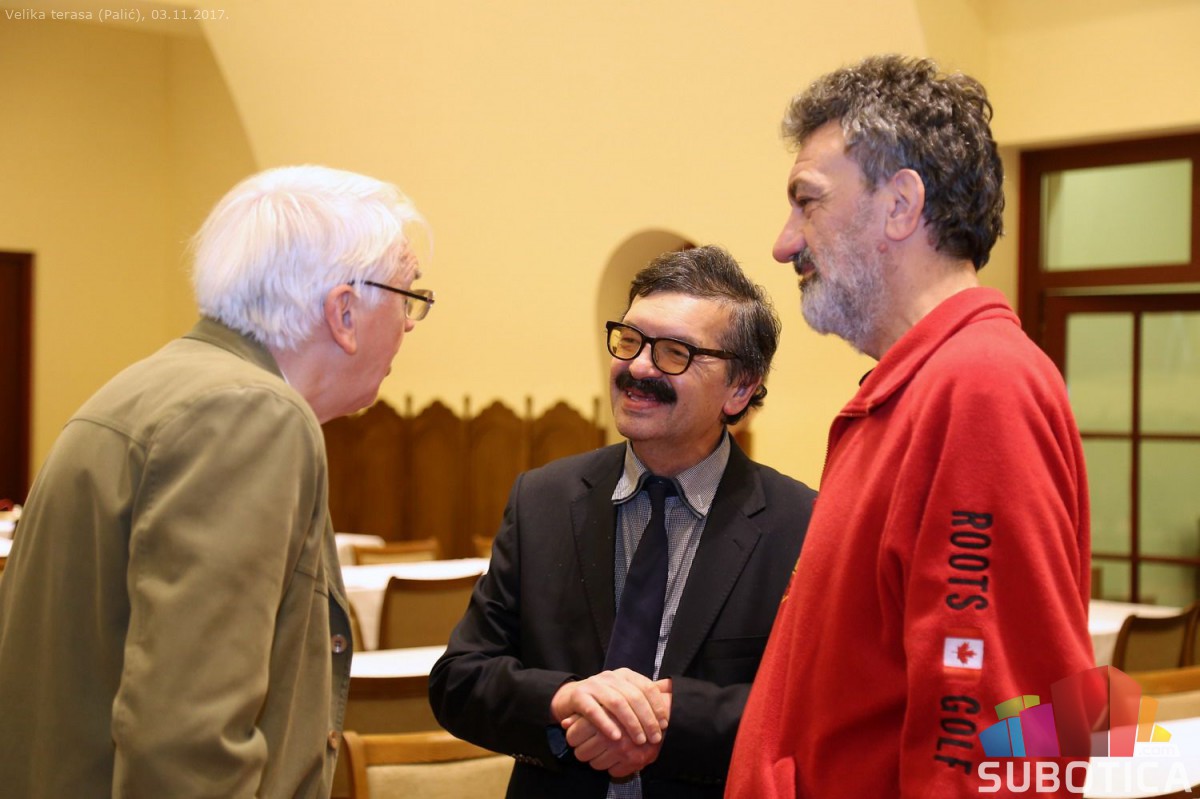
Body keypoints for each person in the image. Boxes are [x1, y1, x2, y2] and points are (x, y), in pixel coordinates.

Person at [0, 165, 434, 798]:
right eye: (406, 296)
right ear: (344, 311)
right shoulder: (251, 413)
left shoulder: (154, 385)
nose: (410, 323)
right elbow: (188, 740)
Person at [725, 55, 1093, 797]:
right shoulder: (912, 389)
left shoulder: (980, 389)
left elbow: (1003, 736)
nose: (784, 243)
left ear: (900, 204)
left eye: (807, 201)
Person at [429, 245, 816, 798]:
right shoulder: (542, 500)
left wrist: (669, 723)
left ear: (740, 387)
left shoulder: (800, 525)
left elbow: (813, 711)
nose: (637, 368)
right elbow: (461, 680)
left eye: (675, 352)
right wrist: (563, 701)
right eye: (630, 340)